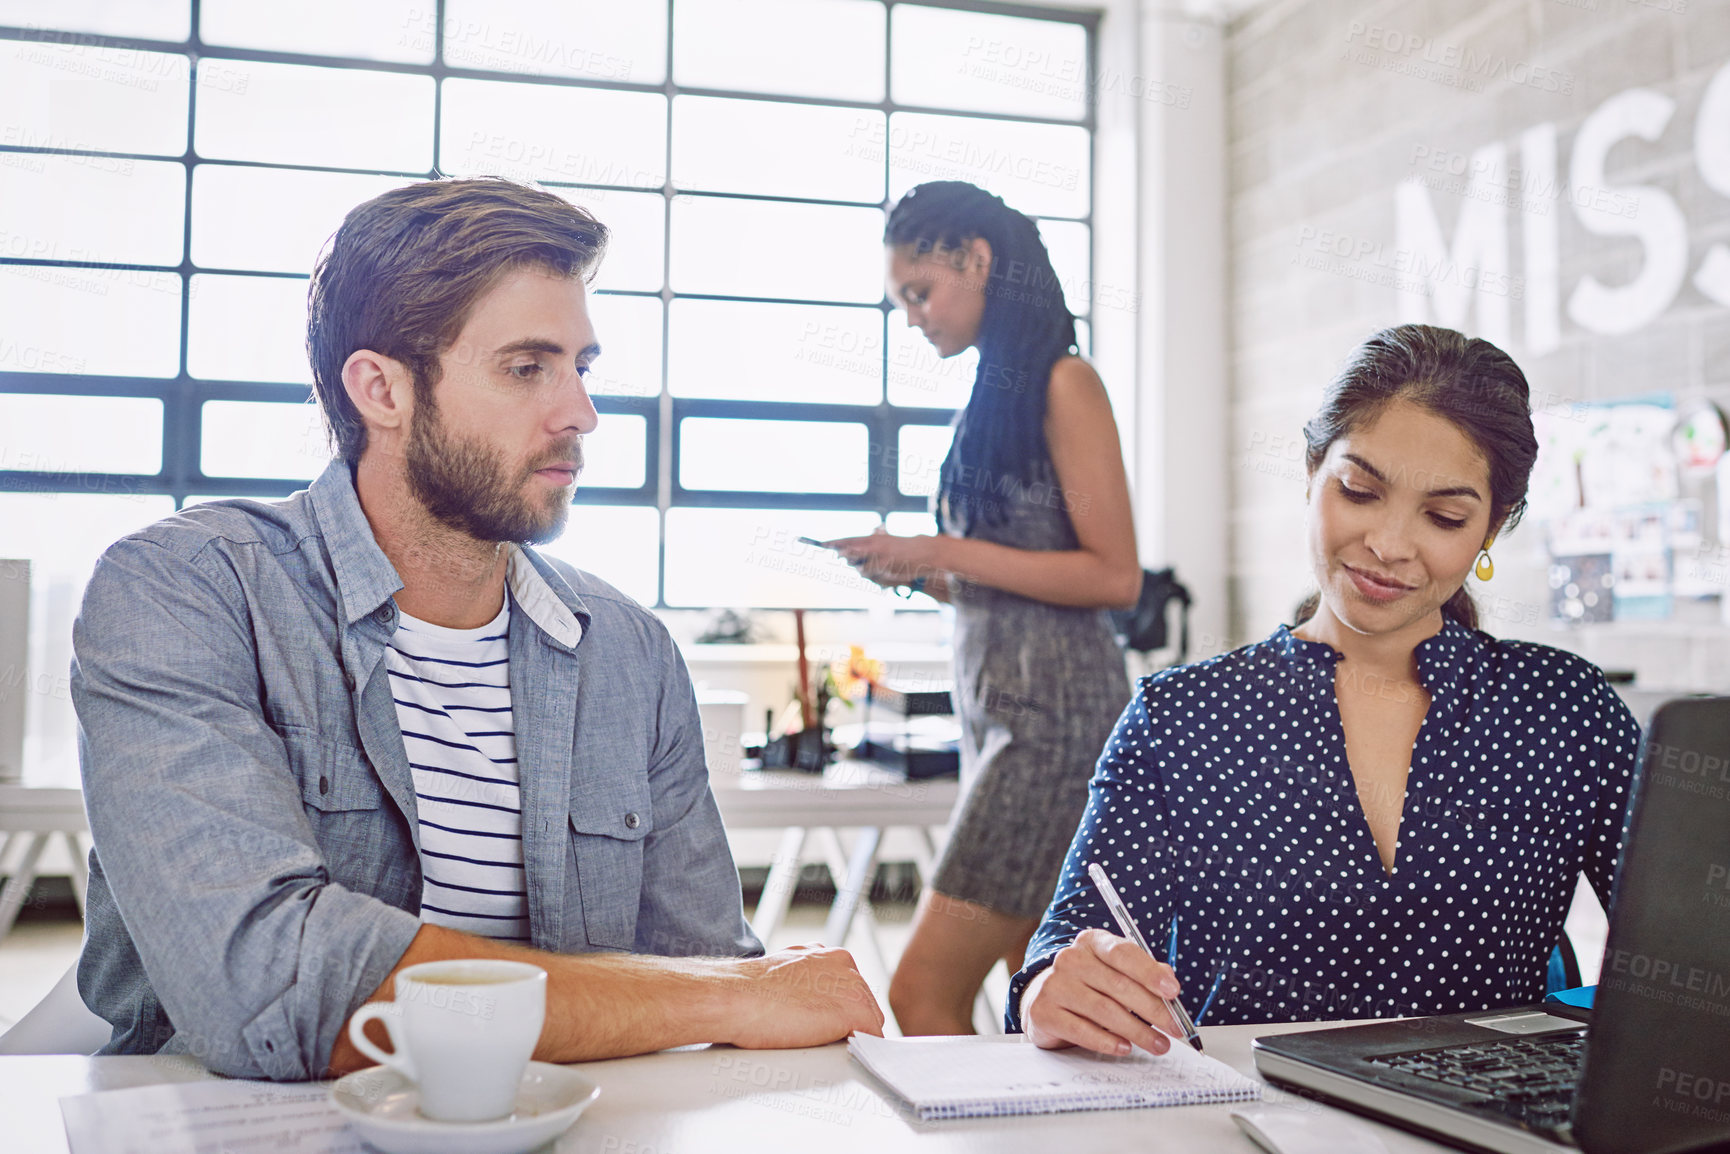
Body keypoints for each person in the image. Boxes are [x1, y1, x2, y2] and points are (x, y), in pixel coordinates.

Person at [71, 177, 882, 1082]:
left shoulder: (629, 651)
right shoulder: (189, 592)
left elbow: (706, 981)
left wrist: (727, 995)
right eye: (528, 367)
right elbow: (273, 987)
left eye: (583, 366)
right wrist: (732, 994)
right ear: (381, 388)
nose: (580, 411)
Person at [1012, 324, 1640, 1058]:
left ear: (1492, 529)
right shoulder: (1182, 719)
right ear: (1312, 470)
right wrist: (1050, 989)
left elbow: (1690, 946)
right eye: (1360, 491)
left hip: (1487, 1132)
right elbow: (1066, 940)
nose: (1389, 544)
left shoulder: (1563, 712)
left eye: (1444, 517)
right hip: (1240, 1122)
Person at [828, 181, 1142, 1036]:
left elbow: (1116, 576)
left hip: (1052, 729)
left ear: (977, 259)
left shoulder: (1066, 382)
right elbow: (1012, 578)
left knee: (921, 992)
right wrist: (917, 574)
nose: (915, 317)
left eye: (920, 293)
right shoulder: (992, 399)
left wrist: (940, 551)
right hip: (1003, 720)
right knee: (1038, 1003)